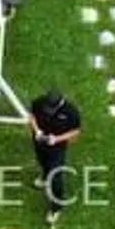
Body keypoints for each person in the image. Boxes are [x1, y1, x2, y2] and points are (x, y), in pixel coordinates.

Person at [26, 89, 84, 220]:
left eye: (51, 109)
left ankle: (55, 209)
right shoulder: (39, 102)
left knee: (56, 175)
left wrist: (56, 139)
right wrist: (37, 131)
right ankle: (45, 178)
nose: (48, 111)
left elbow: (76, 131)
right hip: (40, 140)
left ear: (60, 103)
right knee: (42, 161)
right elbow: (31, 116)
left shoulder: (70, 111)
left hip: (57, 145)